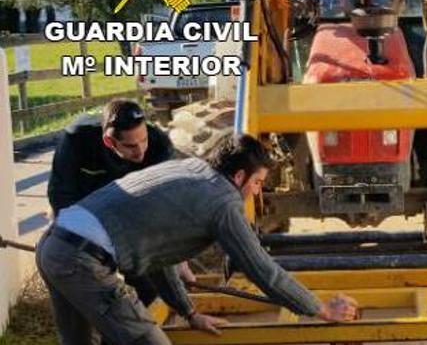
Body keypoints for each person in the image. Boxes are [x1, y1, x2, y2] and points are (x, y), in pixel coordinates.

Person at [36, 134, 359, 345]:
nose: (258, 191)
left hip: (54, 245)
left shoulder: (190, 169)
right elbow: (262, 270)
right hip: (82, 261)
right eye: (258, 182)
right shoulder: (223, 200)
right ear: (239, 177)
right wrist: (318, 309)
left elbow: (156, 257)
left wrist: (189, 312)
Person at [46, 99, 181, 313]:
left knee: (149, 285)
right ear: (109, 142)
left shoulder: (159, 146)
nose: (140, 152)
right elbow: (61, 199)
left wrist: (175, 255)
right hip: (84, 207)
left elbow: (162, 207)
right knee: (88, 278)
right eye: (130, 146)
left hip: (130, 210)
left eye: (143, 140)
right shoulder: (76, 141)